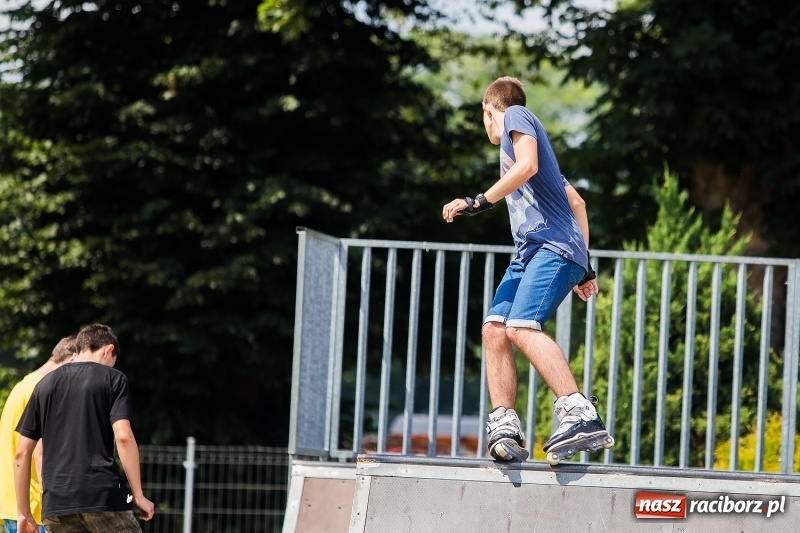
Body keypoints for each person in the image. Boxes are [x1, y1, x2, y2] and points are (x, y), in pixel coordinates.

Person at [442, 76, 614, 464]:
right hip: (531, 253)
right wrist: (585, 266)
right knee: (495, 328)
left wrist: (479, 201)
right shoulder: (538, 159)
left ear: (489, 111)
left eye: (484, 118)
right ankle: (504, 423)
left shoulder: (517, 115)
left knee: (521, 326)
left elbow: (528, 164)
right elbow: (578, 203)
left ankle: (578, 411)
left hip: (551, 246)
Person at [14, 324, 155, 533]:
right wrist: (138, 494)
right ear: (108, 350)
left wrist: (23, 513)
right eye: (112, 362)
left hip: (57, 504)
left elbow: (22, 453)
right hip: (102, 496)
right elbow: (124, 436)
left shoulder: (44, 385)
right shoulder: (113, 378)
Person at [0, 335, 78, 533]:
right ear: (72, 360)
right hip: (36, 508)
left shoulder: (22, 386)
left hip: (14, 504)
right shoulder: (44, 389)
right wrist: (58, 504)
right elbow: (40, 454)